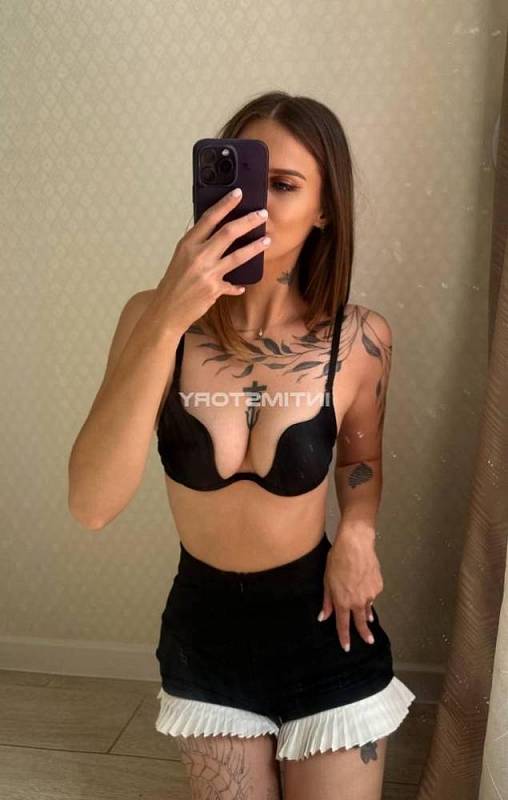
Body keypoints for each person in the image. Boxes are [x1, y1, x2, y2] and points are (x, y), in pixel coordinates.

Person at [68, 91, 415, 800]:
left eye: (282, 185)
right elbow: (91, 504)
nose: (252, 205)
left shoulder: (360, 339)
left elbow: (361, 459)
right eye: (245, 181)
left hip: (326, 626)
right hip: (207, 636)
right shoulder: (150, 319)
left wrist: (359, 531)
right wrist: (168, 316)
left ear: (325, 209)